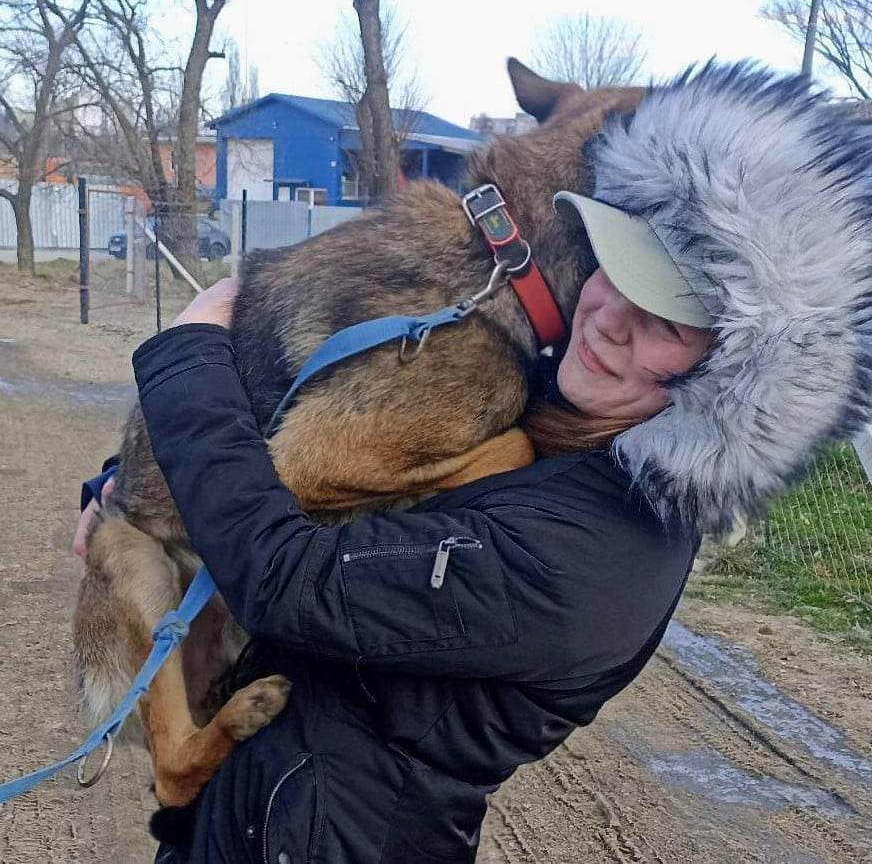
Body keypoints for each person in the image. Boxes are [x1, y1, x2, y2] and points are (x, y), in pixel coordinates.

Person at [75, 63, 872, 864]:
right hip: (251, 812)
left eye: (665, 322)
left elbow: (285, 574)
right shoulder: (549, 389)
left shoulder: (598, 558)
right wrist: (128, 483)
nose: (610, 320)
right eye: (614, 270)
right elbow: (304, 401)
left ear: (730, 377)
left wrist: (189, 350)